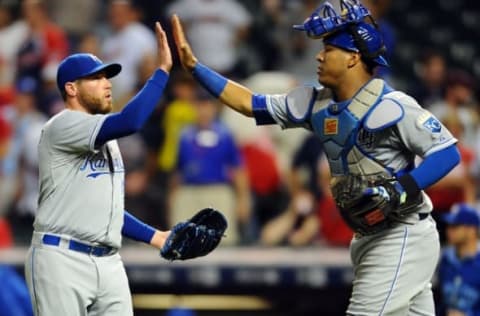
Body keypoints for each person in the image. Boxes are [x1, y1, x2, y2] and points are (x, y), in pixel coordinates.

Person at [170, 0, 461, 314]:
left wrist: (400, 188)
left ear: (353, 57)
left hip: (401, 232)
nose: (320, 56)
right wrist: (196, 69)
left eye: (329, 48)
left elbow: (446, 152)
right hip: (367, 236)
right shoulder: (315, 103)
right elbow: (249, 103)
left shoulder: (393, 105)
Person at [23, 21, 204, 316]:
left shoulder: (107, 141)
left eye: (107, 77)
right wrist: (161, 72)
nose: (107, 83)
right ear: (71, 88)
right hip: (60, 258)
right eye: (96, 78)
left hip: (108, 262)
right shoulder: (62, 125)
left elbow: (106, 209)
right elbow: (130, 121)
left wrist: (155, 236)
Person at [439, 203, 480, 316]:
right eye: (449, 225)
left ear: (471, 230)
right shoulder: (445, 259)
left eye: (455, 226)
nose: (449, 230)